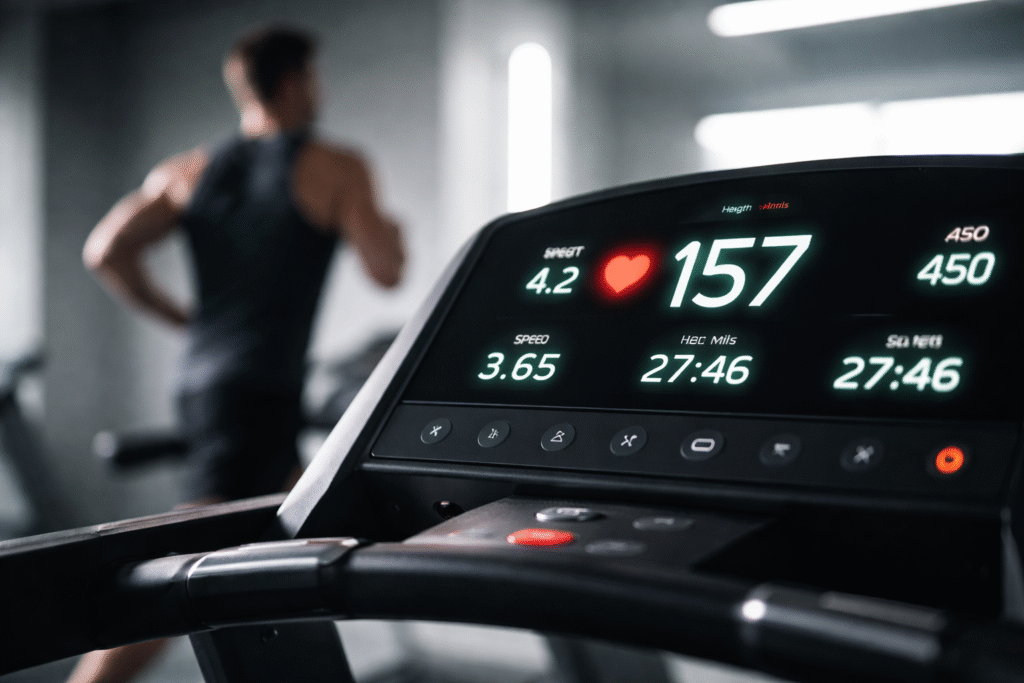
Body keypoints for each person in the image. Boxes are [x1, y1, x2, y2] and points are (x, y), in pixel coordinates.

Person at [70, 26, 405, 683]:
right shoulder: (337, 166)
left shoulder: (185, 172)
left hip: (207, 384)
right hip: (258, 390)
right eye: (314, 77)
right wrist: (392, 232)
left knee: (297, 531)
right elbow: (387, 270)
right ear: (292, 82)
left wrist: (188, 321)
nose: (320, 91)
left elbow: (105, 250)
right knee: (191, 555)